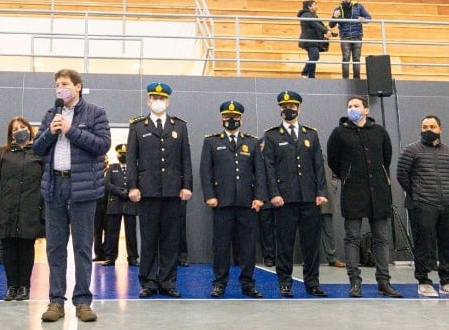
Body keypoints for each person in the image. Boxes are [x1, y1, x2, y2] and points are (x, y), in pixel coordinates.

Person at [34, 68, 111, 323]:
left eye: (65, 83)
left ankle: (82, 301)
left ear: (78, 87)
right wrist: (50, 132)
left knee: (81, 247)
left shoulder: (96, 113)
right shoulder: (50, 114)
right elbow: (37, 148)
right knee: (55, 247)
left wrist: (71, 130)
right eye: (57, 84)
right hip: (55, 187)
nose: (60, 88)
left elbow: (102, 145)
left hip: (83, 189)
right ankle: (55, 301)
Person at [326, 95, 400, 298]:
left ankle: (384, 282)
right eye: (349, 106)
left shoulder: (379, 132)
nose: (352, 109)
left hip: (379, 192)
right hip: (353, 191)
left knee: (381, 239)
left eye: (356, 106)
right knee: (352, 237)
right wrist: (348, 176)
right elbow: (333, 160)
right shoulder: (339, 133)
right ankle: (355, 282)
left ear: (366, 110)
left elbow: (387, 157)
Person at [126, 82, 193, 299]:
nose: (158, 101)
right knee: (148, 239)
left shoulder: (179, 126)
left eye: (162, 98)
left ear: (168, 101)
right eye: (154, 98)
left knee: (170, 240)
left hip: (173, 192)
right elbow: (131, 160)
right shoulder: (137, 127)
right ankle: (148, 282)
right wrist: (133, 186)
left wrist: (186, 186)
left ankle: (167, 281)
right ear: (148, 100)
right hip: (147, 192)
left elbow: (186, 159)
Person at [260, 90, 329, 298]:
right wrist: (274, 194)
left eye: (291, 106)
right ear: (280, 109)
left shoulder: (311, 134)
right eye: (284, 106)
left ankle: (312, 283)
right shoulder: (271, 135)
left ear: (298, 108)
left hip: (310, 197)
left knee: (311, 245)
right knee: (285, 244)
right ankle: (285, 282)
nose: (288, 109)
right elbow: (268, 168)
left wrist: (321, 192)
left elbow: (319, 165)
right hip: (284, 199)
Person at [199, 100, 265, 299]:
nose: (231, 120)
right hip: (222, 202)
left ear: (241, 119)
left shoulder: (252, 142)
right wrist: (209, 195)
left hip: (247, 203)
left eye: (235, 117)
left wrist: (259, 197)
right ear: (221, 119)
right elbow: (205, 171)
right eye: (227, 117)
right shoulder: (211, 141)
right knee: (220, 246)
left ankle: (247, 283)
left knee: (247, 246)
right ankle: (219, 283)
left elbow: (259, 172)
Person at [396, 115, 449, 297]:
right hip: (422, 204)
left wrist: (447, 193)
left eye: (432, 126)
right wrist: (418, 194)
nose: (428, 130)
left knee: (448, 244)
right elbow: (402, 175)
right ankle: (424, 281)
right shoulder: (411, 150)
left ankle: (447, 282)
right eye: (424, 126)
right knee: (424, 244)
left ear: (441, 129)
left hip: (448, 204)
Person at [0, 117, 45, 301]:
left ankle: (24, 286)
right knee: (8, 249)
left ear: (29, 129)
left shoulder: (39, 152)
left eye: (22, 127)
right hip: (6, 208)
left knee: (26, 249)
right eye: (15, 129)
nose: (19, 130)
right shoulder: (3, 153)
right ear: (11, 134)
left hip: (30, 208)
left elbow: (45, 183)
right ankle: (11, 286)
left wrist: (44, 210)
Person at [101, 143, 137, 266]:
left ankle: (132, 257)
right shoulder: (111, 168)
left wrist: (129, 193)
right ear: (117, 155)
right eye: (121, 153)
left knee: (131, 233)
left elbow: (137, 183)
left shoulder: (134, 168)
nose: (123, 156)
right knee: (112, 233)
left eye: (125, 154)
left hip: (130, 204)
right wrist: (122, 192)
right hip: (115, 203)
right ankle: (110, 257)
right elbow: (107, 184)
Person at [328, 0, 372, 80]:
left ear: (350, 0)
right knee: (346, 58)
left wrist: (363, 19)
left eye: (346, 1)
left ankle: (356, 79)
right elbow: (331, 25)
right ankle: (345, 79)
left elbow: (369, 18)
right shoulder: (338, 9)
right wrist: (335, 17)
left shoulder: (358, 6)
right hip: (345, 37)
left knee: (356, 58)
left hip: (357, 36)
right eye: (342, 2)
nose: (344, 3)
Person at [296, 0, 329, 79]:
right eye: (314, 5)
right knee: (315, 56)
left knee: (312, 57)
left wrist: (327, 30)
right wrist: (325, 31)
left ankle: (311, 77)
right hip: (309, 40)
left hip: (312, 40)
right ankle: (304, 72)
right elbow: (315, 24)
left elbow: (320, 24)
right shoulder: (307, 15)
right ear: (309, 6)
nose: (316, 7)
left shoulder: (311, 15)